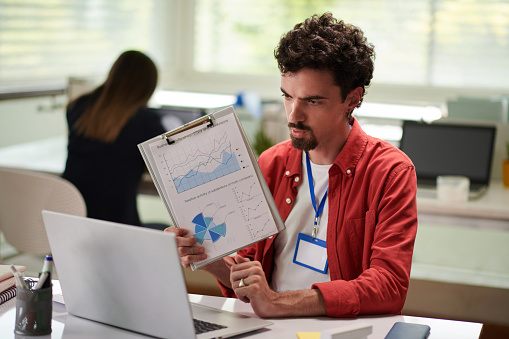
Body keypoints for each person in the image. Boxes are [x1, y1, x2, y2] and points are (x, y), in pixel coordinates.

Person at [166, 13, 418, 318]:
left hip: (339, 330)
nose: (293, 116)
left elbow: (389, 285)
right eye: (287, 96)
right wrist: (209, 259)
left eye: (312, 102)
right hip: (270, 324)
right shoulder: (272, 163)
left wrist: (278, 302)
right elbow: (248, 270)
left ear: (352, 99)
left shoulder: (390, 171)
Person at [62, 50, 166, 227]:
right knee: (168, 231)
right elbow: (165, 164)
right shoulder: (145, 120)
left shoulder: (77, 106)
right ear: (147, 87)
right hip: (118, 231)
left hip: (71, 226)